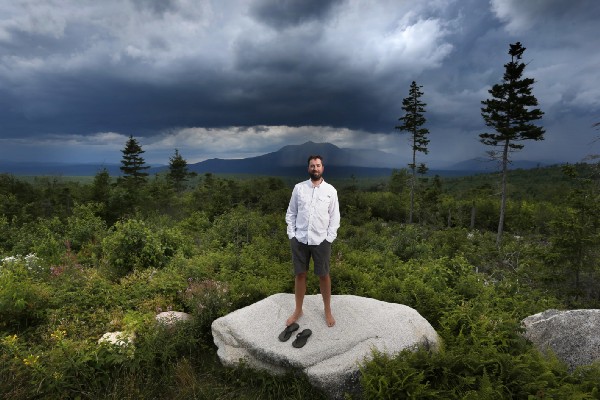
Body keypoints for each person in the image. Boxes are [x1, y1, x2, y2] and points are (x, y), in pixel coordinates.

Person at [285, 155, 340, 327]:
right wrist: (292, 235)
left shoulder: (331, 191)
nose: (315, 168)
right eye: (312, 166)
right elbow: (291, 213)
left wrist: (328, 238)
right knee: (300, 274)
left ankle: (327, 311)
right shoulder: (299, 188)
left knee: (324, 275)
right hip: (300, 239)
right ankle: (298, 310)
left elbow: (334, 217)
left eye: (318, 165)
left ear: (323, 168)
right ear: (308, 168)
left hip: (321, 240)